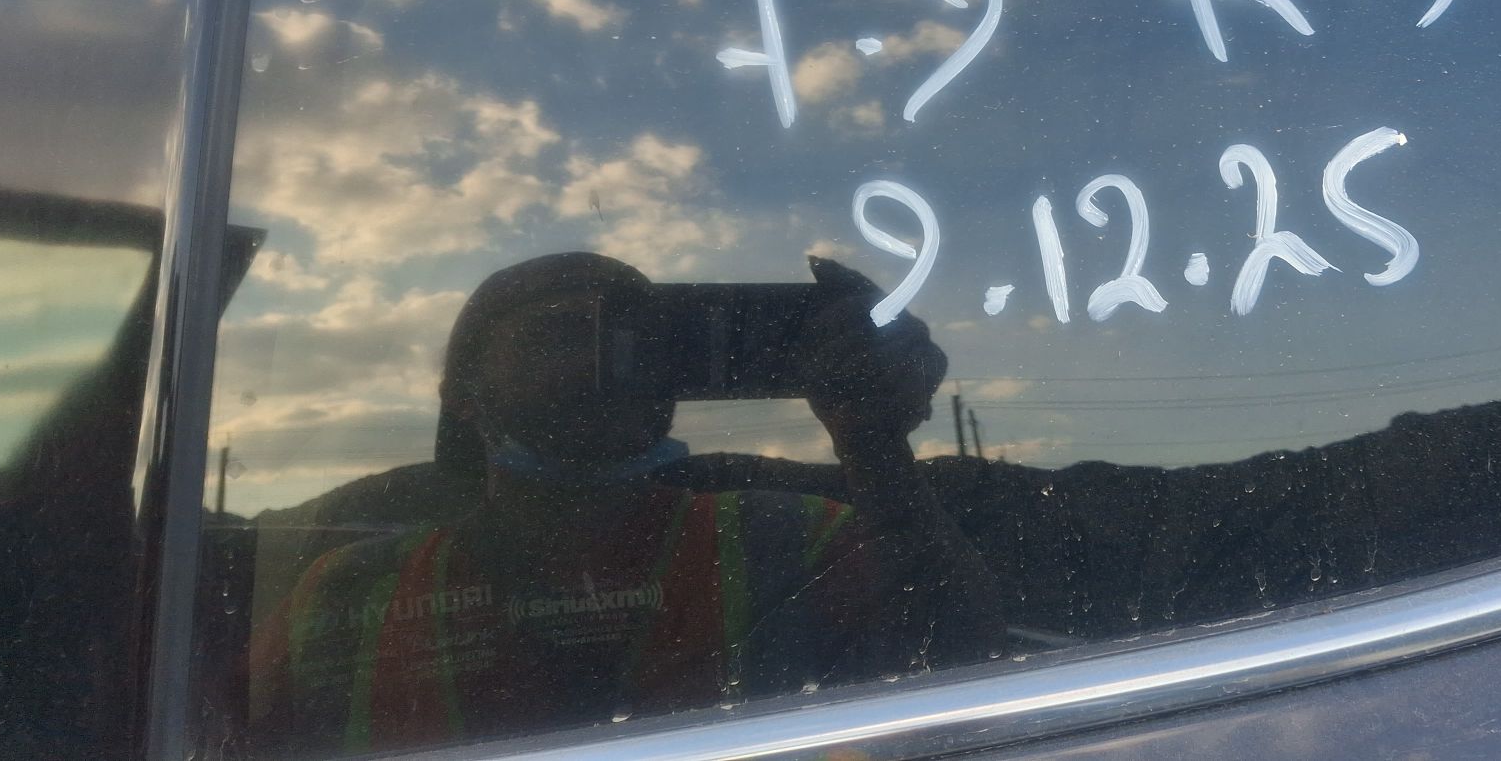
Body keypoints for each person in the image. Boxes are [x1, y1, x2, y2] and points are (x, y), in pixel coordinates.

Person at [247, 252, 1001, 754]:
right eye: (554, 336)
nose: (600, 360)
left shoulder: (793, 538)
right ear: (463, 396)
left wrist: (872, 441)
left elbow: (963, 673)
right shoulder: (346, 593)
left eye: (637, 340)